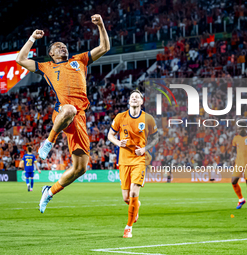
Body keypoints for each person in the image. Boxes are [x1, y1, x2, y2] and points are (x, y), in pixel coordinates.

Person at [16, 14, 110, 213]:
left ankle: (49, 192)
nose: (63, 47)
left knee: (80, 168)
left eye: (64, 45)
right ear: (51, 53)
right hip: (63, 113)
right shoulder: (46, 67)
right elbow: (20, 59)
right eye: (57, 46)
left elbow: (104, 48)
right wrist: (32, 38)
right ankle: (48, 142)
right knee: (68, 108)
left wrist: (101, 25)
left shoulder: (80, 60)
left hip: (80, 118)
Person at [108, 90, 159, 238]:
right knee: (126, 198)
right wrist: (118, 143)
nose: (134, 98)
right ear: (129, 101)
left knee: (134, 193)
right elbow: (110, 135)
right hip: (124, 160)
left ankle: (128, 227)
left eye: (137, 97)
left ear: (142, 101)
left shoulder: (148, 119)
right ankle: (135, 206)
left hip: (139, 160)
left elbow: (156, 138)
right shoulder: (120, 117)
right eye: (132, 97)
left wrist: (145, 148)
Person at [230, 124, 247, 209]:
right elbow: (233, 150)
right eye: (237, 129)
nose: (237, 130)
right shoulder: (236, 138)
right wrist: (232, 158)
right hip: (238, 163)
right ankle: (241, 199)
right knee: (233, 181)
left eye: (239, 129)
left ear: (244, 128)